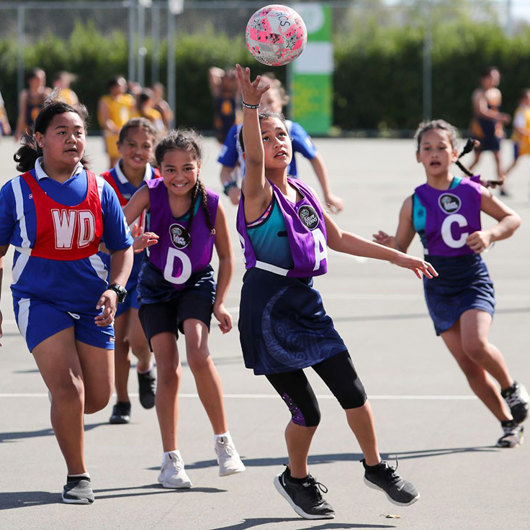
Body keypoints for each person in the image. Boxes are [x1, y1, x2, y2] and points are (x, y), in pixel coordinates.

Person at [235, 64, 437, 520]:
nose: (278, 143)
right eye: (266, 138)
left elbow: (339, 237)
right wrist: (250, 107)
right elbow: (251, 159)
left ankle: (376, 466)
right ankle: (296, 477)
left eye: (282, 136)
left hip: (305, 304)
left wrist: (399, 257)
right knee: (307, 411)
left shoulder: (303, 191)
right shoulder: (256, 193)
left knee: (353, 389)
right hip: (267, 309)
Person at [0, 100, 134, 504]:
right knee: (70, 390)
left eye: (78, 131)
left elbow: (122, 249)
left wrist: (115, 289)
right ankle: (78, 476)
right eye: (62, 131)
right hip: (38, 300)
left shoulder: (100, 189)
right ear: (40, 140)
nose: (73, 138)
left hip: (93, 303)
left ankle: (62, 394)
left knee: (95, 399)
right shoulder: (16, 192)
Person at [374, 119, 528, 449]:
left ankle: (512, 387)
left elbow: (512, 218)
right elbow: (401, 250)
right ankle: (508, 423)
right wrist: (390, 245)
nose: (434, 153)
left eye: (441, 147)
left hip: (472, 278)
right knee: (470, 368)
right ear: (418, 156)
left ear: (454, 152)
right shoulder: (414, 202)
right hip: (438, 286)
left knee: (475, 344)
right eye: (427, 148)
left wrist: (489, 234)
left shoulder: (471, 190)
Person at [123, 129, 245, 488]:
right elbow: (114, 232)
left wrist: (220, 302)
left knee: (198, 352)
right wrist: (134, 241)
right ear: (157, 168)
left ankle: (224, 442)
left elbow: (225, 256)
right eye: (170, 169)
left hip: (196, 284)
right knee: (169, 367)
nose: (178, 176)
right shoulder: (149, 193)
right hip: (157, 286)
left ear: (199, 166)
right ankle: (171, 459)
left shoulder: (209, 202)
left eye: (187, 168)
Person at [100, 118, 160, 424]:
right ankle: (122, 401)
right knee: (117, 341)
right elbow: (95, 236)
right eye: (131, 145)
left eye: (146, 145)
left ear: (154, 149)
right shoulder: (101, 183)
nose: (138, 151)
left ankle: (145, 367)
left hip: (150, 273)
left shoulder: (163, 181)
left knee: (138, 340)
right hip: (115, 273)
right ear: (119, 146)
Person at [218, 73, 344, 214]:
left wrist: (328, 194)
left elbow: (314, 157)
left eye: (270, 101)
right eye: (258, 103)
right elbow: (226, 170)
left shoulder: (290, 129)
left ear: (280, 104)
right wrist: (230, 188)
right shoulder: (238, 133)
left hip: (288, 200)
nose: (264, 107)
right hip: (256, 202)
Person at [468, 67, 511, 194]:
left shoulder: (496, 93)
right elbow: (481, 111)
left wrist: (499, 127)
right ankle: (462, 179)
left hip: (493, 129)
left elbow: (495, 111)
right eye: (492, 77)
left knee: (498, 158)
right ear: (483, 79)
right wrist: (500, 117)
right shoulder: (479, 93)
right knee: (477, 158)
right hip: (481, 129)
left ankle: (502, 185)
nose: (494, 80)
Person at [98, 76, 136, 168]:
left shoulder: (128, 99)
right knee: (114, 161)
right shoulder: (106, 100)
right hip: (113, 135)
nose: (124, 87)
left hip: (127, 134)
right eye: (121, 85)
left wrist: (136, 92)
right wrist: (116, 130)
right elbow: (106, 120)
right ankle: (110, 181)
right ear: (113, 87)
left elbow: (138, 110)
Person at [14, 67, 51, 141]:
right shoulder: (25, 95)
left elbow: (50, 115)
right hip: (29, 131)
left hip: (43, 131)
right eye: (38, 79)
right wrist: (17, 132)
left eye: (43, 78)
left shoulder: (46, 93)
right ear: (30, 81)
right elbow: (22, 115)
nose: (42, 81)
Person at [209, 66, 240, 144]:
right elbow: (212, 71)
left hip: (234, 123)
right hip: (221, 124)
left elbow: (240, 75)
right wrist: (224, 74)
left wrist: (231, 75)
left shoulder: (235, 92)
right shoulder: (218, 91)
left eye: (229, 79)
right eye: (225, 78)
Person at [503, 88, 530, 179]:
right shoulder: (521, 111)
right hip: (521, 142)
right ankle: (501, 180)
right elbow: (518, 128)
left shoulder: (527, 110)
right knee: (514, 163)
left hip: (527, 142)